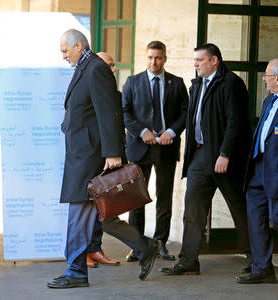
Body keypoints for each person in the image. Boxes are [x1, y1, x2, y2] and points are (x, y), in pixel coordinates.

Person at [47, 29, 158, 289]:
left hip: (90, 156)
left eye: (65, 50)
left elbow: (109, 111)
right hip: (84, 152)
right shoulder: (86, 66)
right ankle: (146, 247)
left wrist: (113, 153)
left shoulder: (95, 68)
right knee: (104, 216)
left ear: (78, 46)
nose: (63, 56)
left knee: (78, 213)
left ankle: (75, 272)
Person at [162, 43, 252, 275]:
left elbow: (236, 122)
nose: (195, 64)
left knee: (239, 209)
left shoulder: (232, 83)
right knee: (193, 210)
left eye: (200, 60)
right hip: (200, 156)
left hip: (224, 157)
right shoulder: (197, 84)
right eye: (194, 60)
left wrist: (225, 153)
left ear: (214, 61)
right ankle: (189, 260)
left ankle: (257, 260)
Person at [236, 58, 278, 284]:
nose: (263, 79)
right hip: (257, 167)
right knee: (256, 220)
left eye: (266, 75)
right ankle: (262, 269)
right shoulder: (268, 101)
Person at [122, 41, 188, 262]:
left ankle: (160, 244)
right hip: (140, 147)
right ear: (146, 57)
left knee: (164, 198)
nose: (153, 62)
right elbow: (125, 112)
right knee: (136, 199)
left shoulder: (177, 84)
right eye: (150, 57)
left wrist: (171, 131)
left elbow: (185, 112)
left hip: (166, 147)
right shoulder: (132, 82)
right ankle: (138, 246)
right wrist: (142, 132)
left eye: (158, 58)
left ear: (165, 59)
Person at [85, 52, 121, 268]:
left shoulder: (115, 93)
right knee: (87, 207)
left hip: (109, 159)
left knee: (103, 207)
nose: (111, 69)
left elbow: (117, 123)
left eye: (112, 65)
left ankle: (96, 249)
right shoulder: (87, 89)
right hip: (90, 156)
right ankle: (85, 251)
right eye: (106, 65)